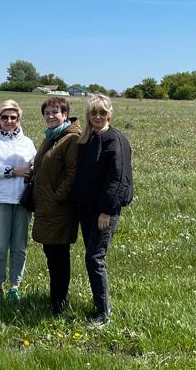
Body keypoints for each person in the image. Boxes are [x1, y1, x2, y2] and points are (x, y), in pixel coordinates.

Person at [74, 93, 133, 325]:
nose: (97, 116)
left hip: (103, 212)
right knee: (91, 257)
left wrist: (107, 210)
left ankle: (103, 313)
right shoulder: (88, 139)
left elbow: (119, 179)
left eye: (102, 112)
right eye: (93, 112)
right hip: (86, 209)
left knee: (95, 257)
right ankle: (99, 305)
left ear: (109, 114)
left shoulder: (114, 139)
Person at [0, 98, 37, 301]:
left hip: (21, 200)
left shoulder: (27, 142)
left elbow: (35, 164)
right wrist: (12, 171)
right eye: (5, 117)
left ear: (19, 119)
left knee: (19, 246)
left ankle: (14, 285)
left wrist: (32, 169)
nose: (9, 121)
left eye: (14, 117)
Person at [30, 95, 82, 316]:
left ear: (65, 115)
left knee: (59, 255)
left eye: (55, 112)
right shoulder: (52, 136)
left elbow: (73, 174)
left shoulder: (71, 139)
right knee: (51, 253)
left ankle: (59, 304)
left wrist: (55, 198)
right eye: (47, 113)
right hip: (47, 207)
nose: (50, 116)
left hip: (59, 209)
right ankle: (57, 299)